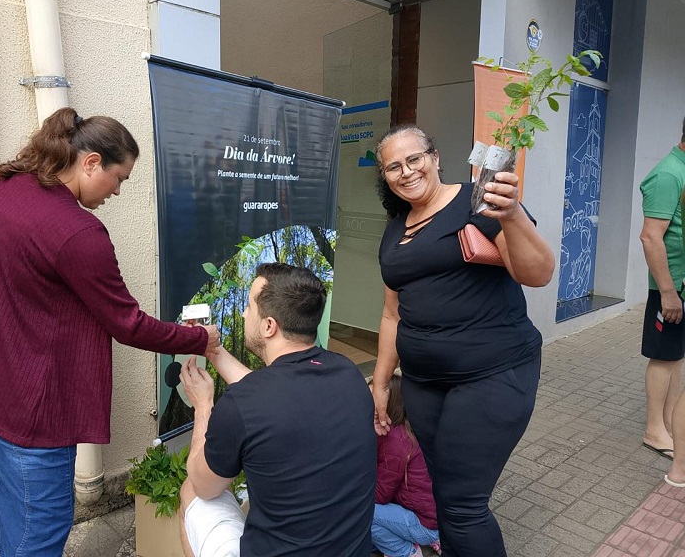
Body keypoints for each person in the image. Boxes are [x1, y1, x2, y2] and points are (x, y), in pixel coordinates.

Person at [0, 107, 220, 557]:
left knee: (15, 508)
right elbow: (127, 323)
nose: (118, 191)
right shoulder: (77, 233)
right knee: (42, 529)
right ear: (91, 162)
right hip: (28, 416)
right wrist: (199, 339)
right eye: (120, 178)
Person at [370, 125, 555, 557]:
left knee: (462, 505)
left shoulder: (478, 202)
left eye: (414, 158)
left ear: (435, 157)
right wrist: (381, 381)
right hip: (423, 383)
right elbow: (391, 312)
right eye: (393, 166)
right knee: (446, 494)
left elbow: (538, 273)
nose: (406, 171)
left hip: (492, 372)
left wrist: (510, 216)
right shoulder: (395, 230)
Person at [178, 262, 377, 556]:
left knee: (191, 491)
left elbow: (203, 483)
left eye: (249, 306)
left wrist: (204, 405)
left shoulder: (243, 403)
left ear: (269, 326)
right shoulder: (348, 374)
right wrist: (212, 350)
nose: (244, 314)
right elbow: (273, 397)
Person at [639, 117, 685, 461]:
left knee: (675, 356)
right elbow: (651, 236)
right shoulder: (669, 174)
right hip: (671, 285)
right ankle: (655, 430)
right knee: (663, 355)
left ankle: (670, 423)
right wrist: (668, 292)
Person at [371, 373, 440, 557]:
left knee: (363, 512)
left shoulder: (394, 441)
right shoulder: (409, 428)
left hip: (426, 522)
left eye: (372, 399)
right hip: (435, 515)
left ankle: (406, 552)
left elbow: (380, 495)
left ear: (389, 404)